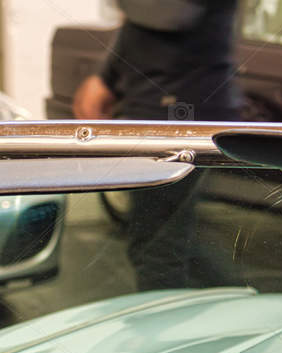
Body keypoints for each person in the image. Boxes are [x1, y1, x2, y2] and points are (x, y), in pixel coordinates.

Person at [73, 0, 241, 291]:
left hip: (177, 125)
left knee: (159, 247)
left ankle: (171, 327)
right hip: (174, 120)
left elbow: (168, 15)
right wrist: (106, 77)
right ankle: (236, 303)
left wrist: (106, 77)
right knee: (173, 238)